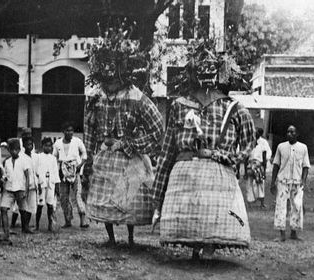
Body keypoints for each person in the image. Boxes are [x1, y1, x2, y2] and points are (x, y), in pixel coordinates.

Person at [152, 47, 254, 258]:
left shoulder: (234, 108)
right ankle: (196, 248)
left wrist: (229, 158)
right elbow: (167, 151)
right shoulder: (180, 105)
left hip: (217, 173)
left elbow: (248, 142)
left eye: (211, 71)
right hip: (185, 173)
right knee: (191, 214)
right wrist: (157, 196)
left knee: (213, 215)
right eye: (202, 70)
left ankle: (207, 248)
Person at [84, 27, 164, 245]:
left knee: (128, 199)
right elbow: (89, 126)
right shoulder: (95, 97)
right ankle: (111, 238)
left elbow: (158, 129)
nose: (108, 80)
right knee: (106, 198)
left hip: (128, 155)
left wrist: (133, 143)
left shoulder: (135, 96)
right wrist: (89, 154)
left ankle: (130, 237)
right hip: (105, 155)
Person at [270, 125, 310, 241]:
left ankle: (294, 232)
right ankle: (281, 234)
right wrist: (272, 182)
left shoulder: (303, 147)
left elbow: (306, 166)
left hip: (297, 182)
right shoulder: (281, 147)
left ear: (297, 134)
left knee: (296, 207)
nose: (289, 134)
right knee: (281, 207)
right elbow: (276, 165)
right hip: (283, 181)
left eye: (292, 132)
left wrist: (303, 180)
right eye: (288, 132)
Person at [53, 122, 88, 228]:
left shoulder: (77, 141)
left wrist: (80, 165)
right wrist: (58, 170)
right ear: (63, 131)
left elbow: (84, 154)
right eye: (67, 130)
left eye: (71, 130)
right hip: (63, 172)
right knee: (64, 196)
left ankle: (83, 220)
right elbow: (54, 158)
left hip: (75, 170)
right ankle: (68, 220)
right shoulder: (58, 143)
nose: (70, 132)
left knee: (77, 195)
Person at [0, 138, 32, 244]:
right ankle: (6, 234)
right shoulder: (7, 162)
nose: (14, 152)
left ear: (19, 150)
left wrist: (26, 191)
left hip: (20, 189)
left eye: (16, 150)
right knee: (3, 209)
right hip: (9, 189)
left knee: (23, 211)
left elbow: (27, 177)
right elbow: (6, 175)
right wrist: (2, 179)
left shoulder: (24, 161)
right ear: (9, 150)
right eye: (11, 150)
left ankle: (25, 229)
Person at [35, 137, 60, 231]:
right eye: (46, 146)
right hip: (42, 182)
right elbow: (36, 171)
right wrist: (38, 184)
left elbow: (55, 172)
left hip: (51, 183)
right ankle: (37, 225)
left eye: (50, 146)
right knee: (40, 205)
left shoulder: (53, 158)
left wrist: (57, 186)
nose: (48, 148)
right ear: (42, 146)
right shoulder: (39, 157)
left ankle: (50, 225)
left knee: (50, 205)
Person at [245, 128, 272, 208]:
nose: (254, 135)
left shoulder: (262, 144)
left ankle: (262, 203)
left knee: (260, 183)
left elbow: (264, 159)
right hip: (250, 165)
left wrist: (263, 171)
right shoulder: (249, 143)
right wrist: (245, 171)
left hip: (258, 166)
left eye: (256, 133)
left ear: (259, 135)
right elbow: (246, 157)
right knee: (249, 183)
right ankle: (249, 202)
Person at [20, 136, 38, 234]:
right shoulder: (21, 157)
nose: (29, 146)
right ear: (23, 145)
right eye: (27, 144)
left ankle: (26, 226)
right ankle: (24, 226)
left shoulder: (35, 156)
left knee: (31, 206)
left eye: (31, 144)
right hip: (24, 184)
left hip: (33, 184)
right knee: (24, 206)